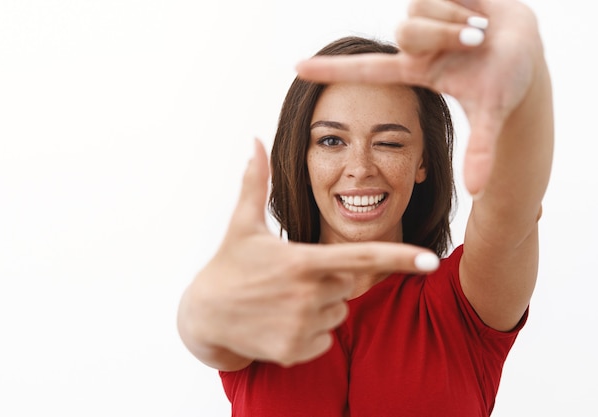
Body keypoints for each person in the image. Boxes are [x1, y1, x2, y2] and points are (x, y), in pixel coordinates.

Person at [177, 0, 553, 415]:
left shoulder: (462, 309)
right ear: (302, 158)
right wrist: (198, 310)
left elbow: (511, 212)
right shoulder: (264, 307)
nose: (359, 169)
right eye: (331, 141)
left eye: (389, 142)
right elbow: (207, 327)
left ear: (422, 163)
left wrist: (526, 84)